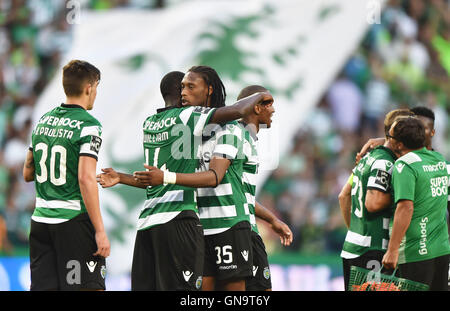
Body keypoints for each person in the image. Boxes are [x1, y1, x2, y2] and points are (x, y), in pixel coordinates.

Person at [97, 67, 274, 291]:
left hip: (158, 222)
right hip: (212, 223)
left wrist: (122, 177)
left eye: (190, 86)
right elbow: (213, 178)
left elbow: (156, 177)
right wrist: (262, 96)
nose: (184, 92)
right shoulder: (195, 121)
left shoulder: (153, 123)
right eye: (183, 87)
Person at [134, 84, 292, 291]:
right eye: (269, 105)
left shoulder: (215, 137)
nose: (273, 110)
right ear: (256, 107)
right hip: (235, 228)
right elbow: (216, 180)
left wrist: (272, 219)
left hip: (208, 229)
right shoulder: (235, 134)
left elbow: (240, 192)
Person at [22, 60, 110, 290]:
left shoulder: (43, 122)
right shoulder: (89, 125)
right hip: (72, 222)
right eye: (97, 87)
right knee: (88, 286)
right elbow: (85, 178)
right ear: (89, 87)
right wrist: (100, 230)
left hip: (40, 220)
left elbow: (27, 172)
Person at [339, 109, 414, 291]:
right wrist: (405, 197)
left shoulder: (368, 158)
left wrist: (357, 230)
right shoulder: (385, 162)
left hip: (354, 246)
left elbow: (343, 196)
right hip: (372, 249)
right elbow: (373, 203)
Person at [382, 116, 450, 291]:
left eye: (389, 137)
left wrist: (392, 249)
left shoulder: (404, 166)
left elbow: (405, 207)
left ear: (398, 144)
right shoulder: (439, 160)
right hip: (441, 250)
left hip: (415, 252)